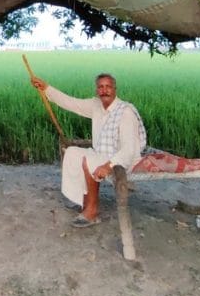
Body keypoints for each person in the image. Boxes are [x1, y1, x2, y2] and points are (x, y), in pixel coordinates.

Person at [30, 73, 147, 228]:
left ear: (114, 89)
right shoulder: (96, 105)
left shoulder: (125, 112)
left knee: (89, 161)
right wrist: (46, 88)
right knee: (72, 152)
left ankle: (91, 212)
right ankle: (83, 202)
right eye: (101, 87)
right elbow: (71, 103)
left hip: (122, 159)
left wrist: (108, 166)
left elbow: (129, 150)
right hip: (102, 154)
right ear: (97, 90)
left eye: (108, 87)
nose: (104, 90)